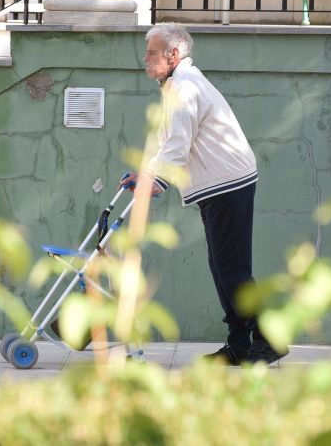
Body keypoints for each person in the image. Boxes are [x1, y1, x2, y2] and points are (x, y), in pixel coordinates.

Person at [120, 23, 287, 365]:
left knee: (232, 269)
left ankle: (268, 338)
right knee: (223, 266)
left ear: (173, 54)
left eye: (152, 53)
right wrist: (148, 173)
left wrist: (156, 182)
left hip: (228, 182)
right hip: (222, 183)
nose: (145, 59)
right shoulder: (177, 85)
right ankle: (240, 343)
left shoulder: (184, 87)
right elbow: (169, 143)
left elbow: (178, 145)